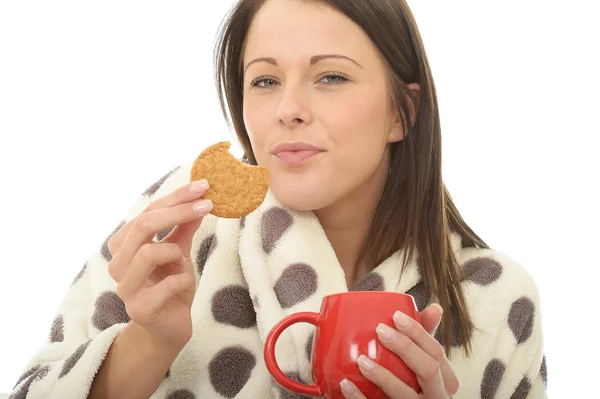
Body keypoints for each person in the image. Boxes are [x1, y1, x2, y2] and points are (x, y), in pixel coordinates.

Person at [8, 0, 548, 398]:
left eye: (330, 76)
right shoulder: (172, 234)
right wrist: (148, 343)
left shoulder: (497, 301)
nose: (287, 108)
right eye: (264, 81)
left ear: (400, 113)